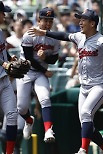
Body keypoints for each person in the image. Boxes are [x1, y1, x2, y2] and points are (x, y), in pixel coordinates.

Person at [28, 9, 103, 154]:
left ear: (92, 23)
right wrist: (44, 33)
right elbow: (64, 35)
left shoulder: (101, 40)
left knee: (87, 114)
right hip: (84, 87)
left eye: (83, 20)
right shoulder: (79, 36)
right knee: (86, 124)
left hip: (99, 86)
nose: (80, 22)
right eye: (79, 19)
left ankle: (83, 150)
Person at [16, 7, 60, 143]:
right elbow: (29, 59)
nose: (47, 23)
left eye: (50, 20)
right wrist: (44, 69)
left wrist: (45, 57)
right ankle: (29, 120)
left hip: (40, 72)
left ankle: (48, 130)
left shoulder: (53, 37)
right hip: (26, 71)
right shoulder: (29, 34)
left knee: (45, 98)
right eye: (45, 20)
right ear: (38, 20)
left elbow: (54, 59)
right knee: (21, 107)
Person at [0, 1, 18, 153]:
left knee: (12, 115)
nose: (4, 15)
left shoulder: (0, 31)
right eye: (2, 12)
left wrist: (9, 59)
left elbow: (2, 53)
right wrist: (3, 63)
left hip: (4, 80)